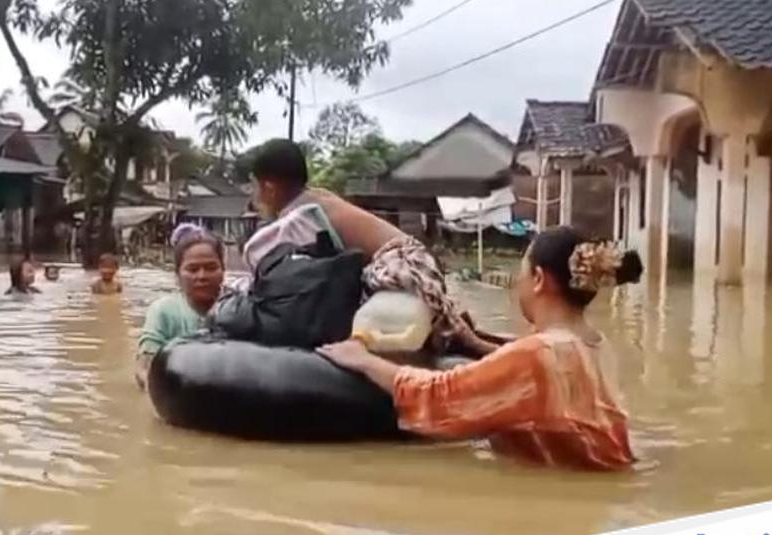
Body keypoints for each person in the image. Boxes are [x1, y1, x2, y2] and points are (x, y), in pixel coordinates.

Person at [317, 227, 643, 471]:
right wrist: (477, 343)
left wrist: (361, 360)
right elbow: (539, 380)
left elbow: (439, 396)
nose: (519, 284)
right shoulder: (596, 345)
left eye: (523, 273)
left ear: (540, 279)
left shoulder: (536, 355)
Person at [243, 139, 496, 356]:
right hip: (417, 262)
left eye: (254, 186)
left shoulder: (302, 214)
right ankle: (462, 335)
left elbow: (258, 256)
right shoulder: (318, 197)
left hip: (402, 264)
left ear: (269, 187)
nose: (253, 196)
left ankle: (462, 340)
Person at [135, 224, 225, 388]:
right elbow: (145, 366)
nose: (202, 276)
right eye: (192, 269)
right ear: (177, 275)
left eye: (211, 268)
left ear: (223, 271)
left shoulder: (238, 308)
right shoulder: (164, 311)